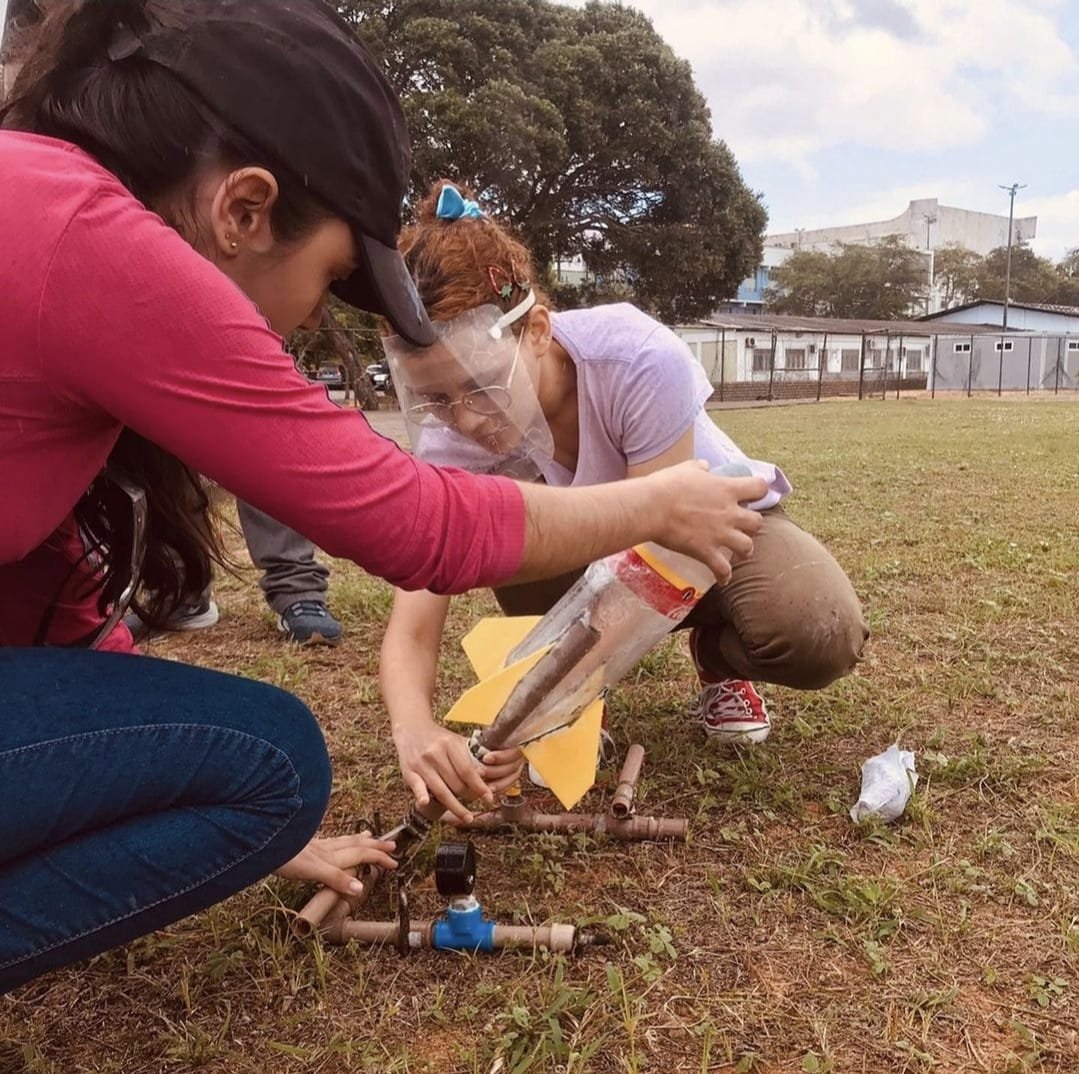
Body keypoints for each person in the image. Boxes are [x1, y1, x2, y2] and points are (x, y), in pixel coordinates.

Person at [0, 0, 766, 992]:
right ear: (243, 207)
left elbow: (49, 604)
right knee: (272, 757)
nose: (311, 318)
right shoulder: (92, 240)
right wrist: (659, 505)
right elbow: (412, 526)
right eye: (326, 279)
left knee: (234, 765)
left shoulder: (39, 200)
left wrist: (245, 830)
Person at [379, 181, 869, 820]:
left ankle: (714, 658)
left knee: (817, 630)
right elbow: (414, 619)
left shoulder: (634, 356)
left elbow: (655, 558)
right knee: (502, 539)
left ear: (536, 329)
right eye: (435, 400)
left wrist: (543, 707)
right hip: (592, 562)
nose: (465, 421)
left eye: (481, 387)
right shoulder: (452, 436)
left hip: (699, 534)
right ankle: (573, 701)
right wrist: (413, 727)